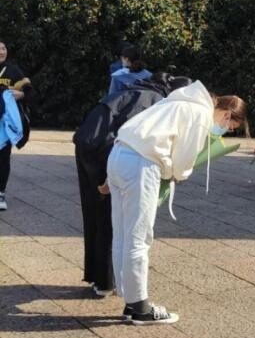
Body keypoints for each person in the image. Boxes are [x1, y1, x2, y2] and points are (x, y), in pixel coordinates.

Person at [103, 81, 245, 325]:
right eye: (228, 126)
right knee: (139, 237)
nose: (223, 130)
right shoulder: (200, 113)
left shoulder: (179, 100)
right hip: (142, 163)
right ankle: (140, 307)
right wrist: (177, 175)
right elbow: (183, 160)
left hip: (119, 155)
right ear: (226, 114)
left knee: (123, 233)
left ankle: (130, 298)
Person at [73, 73, 192, 297]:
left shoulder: (139, 90)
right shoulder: (157, 101)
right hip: (106, 149)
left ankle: (99, 277)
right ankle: (107, 281)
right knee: (112, 218)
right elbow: (138, 137)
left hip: (86, 145)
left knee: (94, 214)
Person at [0, 40, 33, 212]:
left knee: (3, 157)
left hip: (4, 123)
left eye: (3, 48)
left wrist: (20, 94)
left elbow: (28, 89)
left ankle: (0, 193)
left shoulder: (13, 70)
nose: (1, 51)